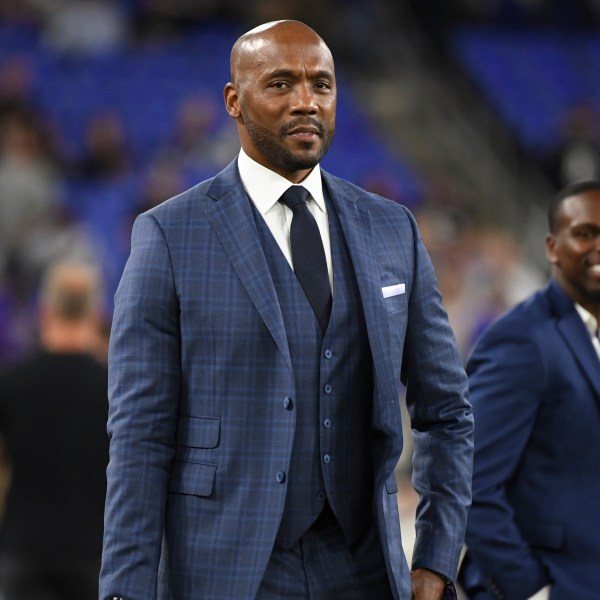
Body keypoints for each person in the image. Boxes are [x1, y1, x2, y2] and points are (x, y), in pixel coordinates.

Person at [100, 20, 473, 600]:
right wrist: (125, 590)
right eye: (280, 83)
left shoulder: (391, 228)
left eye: (320, 85)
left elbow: (446, 410)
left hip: (366, 568)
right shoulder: (169, 235)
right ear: (234, 100)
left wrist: (436, 556)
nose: (306, 101)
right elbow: (140, 438)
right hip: (225, 570)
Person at [458, 180, 600, 600]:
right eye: (585, 233)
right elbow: (467, 480)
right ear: (553, 247)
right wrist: (529, 588)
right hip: (558, 584)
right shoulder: (522, 339)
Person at [0, 258, 109, 600]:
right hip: (93, 553)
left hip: (23, 550)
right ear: (95, 314)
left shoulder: (11, 382)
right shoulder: (114, 389)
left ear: (44, 310)